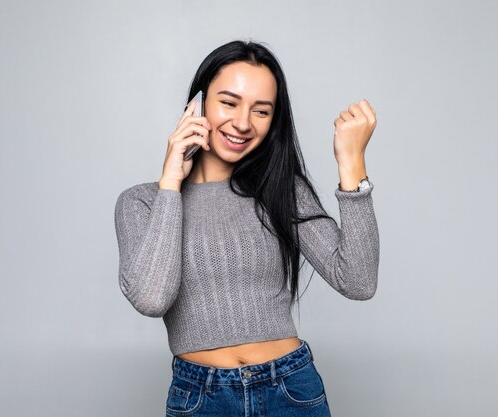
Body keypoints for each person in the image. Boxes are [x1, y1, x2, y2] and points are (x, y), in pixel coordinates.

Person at [114, 39, 379, 417]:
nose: (242, 123)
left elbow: (358, 281)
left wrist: (351, 164)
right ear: (197, 104)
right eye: (229, 102)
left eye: (261, 110)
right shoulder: (141, 203)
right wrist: (171, 180)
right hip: (201, 398)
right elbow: (152, 298)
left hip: (291, 389)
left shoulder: (282, 191)